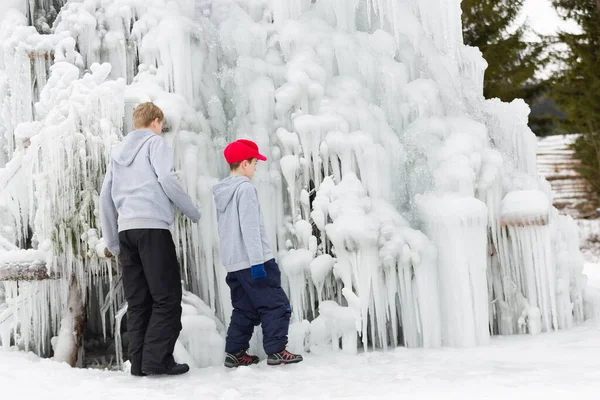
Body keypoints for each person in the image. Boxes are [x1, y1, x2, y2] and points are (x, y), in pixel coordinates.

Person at [100, 102, 200, 376]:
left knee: (138, 301)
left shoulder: (117, 154)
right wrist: (192, 211)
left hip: (126, 232)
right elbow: (167, 178)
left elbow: (104, 200)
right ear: (156, 122)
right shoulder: (156, 144)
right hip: (153, 229)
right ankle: (157, 361)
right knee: (166, 298)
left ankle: (140, 363)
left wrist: (113, 242)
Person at [212, 139, 303, 367]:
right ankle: (276, 350)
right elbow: (250, 227)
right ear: (244, 164)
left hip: (234, 264)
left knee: (245, 308)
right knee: (276, 305)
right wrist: (257, 264)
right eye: (254, 163)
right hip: (254, 261)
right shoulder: (245, 189)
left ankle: (235, 352)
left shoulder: (223, 192)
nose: (255, 167)